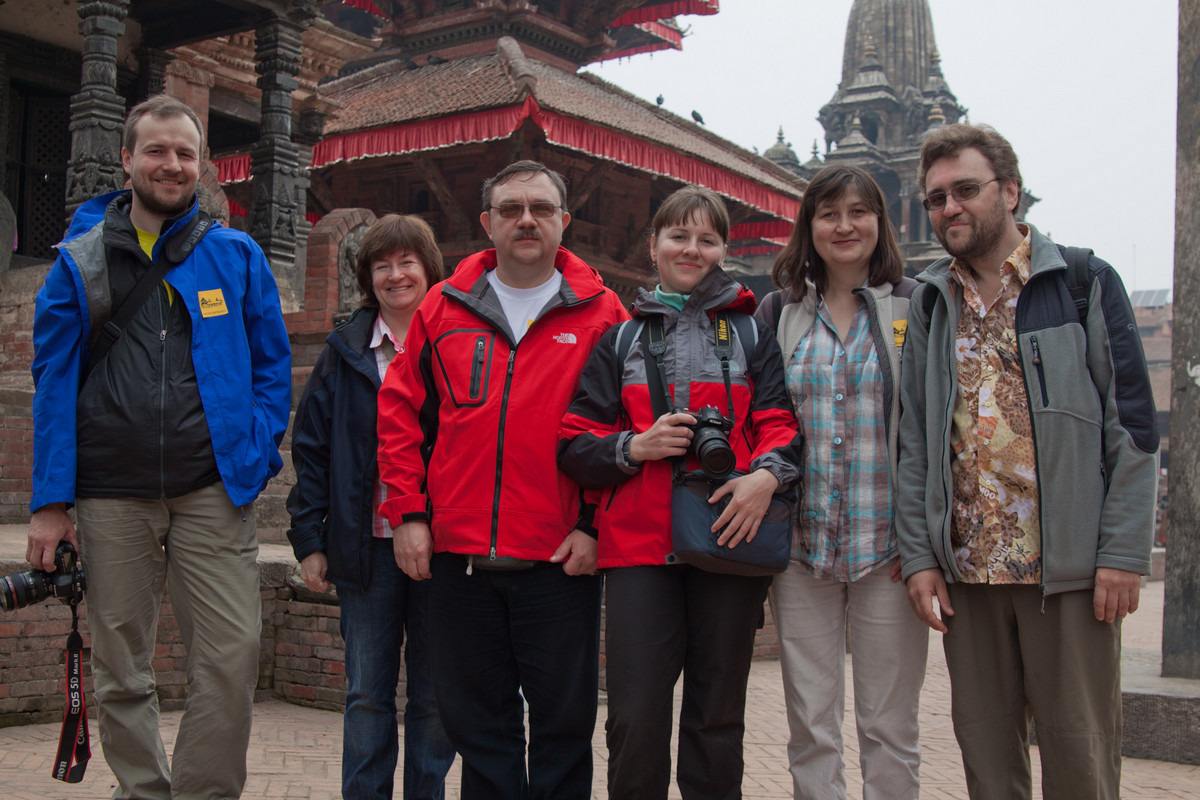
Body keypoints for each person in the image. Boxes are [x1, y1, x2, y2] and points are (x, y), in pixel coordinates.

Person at [26, 94, 291, 800]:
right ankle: (144, 790)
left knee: (232, 657)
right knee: (122, 666)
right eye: (157, 151)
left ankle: (202, 794)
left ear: (200, 165)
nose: (171, 165)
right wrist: (50, 503)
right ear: (126, 160)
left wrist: (258, 449)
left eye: (184, 153)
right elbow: (51, 384)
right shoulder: (78, 262)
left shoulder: (234, 254)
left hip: (211, 489)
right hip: (111, 494)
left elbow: (272, 364)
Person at [897, 123, 1159, 800]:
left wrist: (1124, 552)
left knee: (1080, 761)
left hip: (1067, 573)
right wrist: (921, 556)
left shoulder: (1080, 282)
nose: (949, 208)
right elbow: (916, 443)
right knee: (988, 763)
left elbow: (1130, 426)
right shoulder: (932, 302)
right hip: (971, 573)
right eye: (935, 198)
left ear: (1010, 192)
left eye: (966, 190)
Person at [378, 161, 628, 799]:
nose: (526, 219)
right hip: (461, 561)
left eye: (541, 208)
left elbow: (624, 432)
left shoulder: (603, 314)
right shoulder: (444, 306)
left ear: (562, 222)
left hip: (559, 559)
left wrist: (593, 526)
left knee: (563, 730)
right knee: (478, 729)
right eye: (511, 208)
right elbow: (400, 411)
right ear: (487, 222)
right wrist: (408, 514)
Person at [558, 185, 803, 800]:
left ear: (723, 249)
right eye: (679, 236)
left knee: (717, 718)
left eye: (707, 239)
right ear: (654, 244)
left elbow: (779, 422)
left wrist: (766, 475)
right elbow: (574, 442)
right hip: (640, 550)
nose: (691, 249)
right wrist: (633, 447)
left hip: (730, 536)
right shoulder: (619, 340)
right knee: (634, 718)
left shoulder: (751, 333)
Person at [756, 165, 927, 800]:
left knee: (889, 725)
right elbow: (767, 418)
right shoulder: (780, 313)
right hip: (802, 549)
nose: (844, 225)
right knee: (811, 725)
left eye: (859, 211)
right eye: (829, 213)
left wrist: (923, 539)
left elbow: (933, 429)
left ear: (879, 222)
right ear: (810, 226)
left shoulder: (915, 304)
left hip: (889, 549)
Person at [287, 214, 455, 800]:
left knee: (435, 696)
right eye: (381, 265)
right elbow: (311, 449)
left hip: (444, 547)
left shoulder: (460, 343)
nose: (395, 275)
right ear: (367, 277)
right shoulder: (344, 352)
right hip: (366, 547)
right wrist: (309, 539)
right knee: (366, 693)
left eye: (407, 261)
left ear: (430, 269)